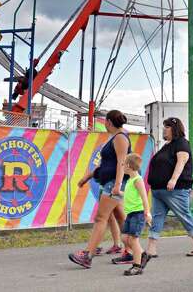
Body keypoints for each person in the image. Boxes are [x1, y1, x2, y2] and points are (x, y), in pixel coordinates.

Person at [69, 110, 131, 269]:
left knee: (100, 218)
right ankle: (131, 251)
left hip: (113, 183)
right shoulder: (114, 138)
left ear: (109, 122)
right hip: (109, 182)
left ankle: (87, 255)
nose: (104, 125)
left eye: (105, 122)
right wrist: (87, 177)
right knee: (120, 218)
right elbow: (105, 164)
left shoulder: (120, 138)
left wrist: (117, 185)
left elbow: (122, 162)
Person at [145, 117, 193, 258]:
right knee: (157, 217)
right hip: (159, 190)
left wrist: (173, 180)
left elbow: (181, 162)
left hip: (175, 189)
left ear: (175, 129)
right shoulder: (167, 145)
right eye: (164, 126)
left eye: (167, 127)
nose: (164, 129)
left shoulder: (181, 143)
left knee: (184, 215)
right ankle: (151, 249)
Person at [117, 153, 153, 276]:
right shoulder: (130, 180)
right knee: (124, 238)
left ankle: (137, 266)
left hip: (138, 214)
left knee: (133, 240)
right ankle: (143, 255)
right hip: (130, 214)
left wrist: (147, 212)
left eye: (123, 164)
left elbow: (144, 197)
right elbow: (129, 194)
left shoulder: (138, 180)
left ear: (128, 166)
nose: (122, 166)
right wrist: (119, 193)